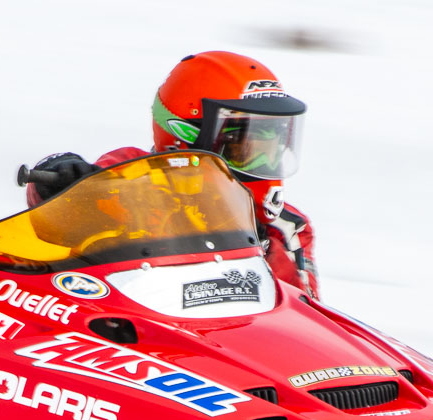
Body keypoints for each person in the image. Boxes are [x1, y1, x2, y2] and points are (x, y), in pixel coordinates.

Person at [24, 51, 320, 301]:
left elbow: (302, 314)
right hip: (130, 330)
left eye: (273, 147)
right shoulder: (133, 177)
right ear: (184, 134)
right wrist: (64, 179)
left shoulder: (285, 226)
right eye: (247, 147)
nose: (263, 161)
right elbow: (64, 212)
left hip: (230, 343)